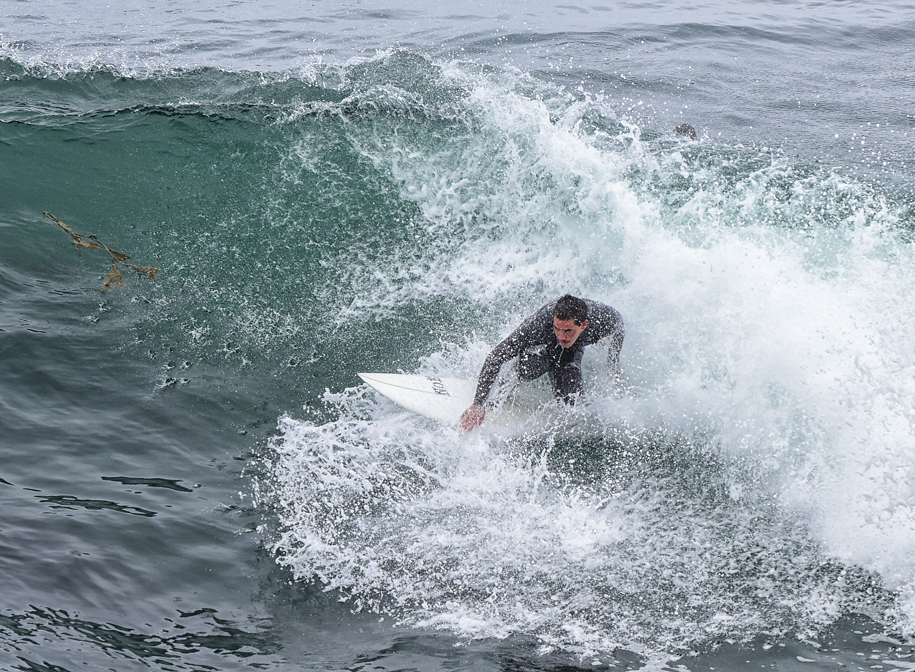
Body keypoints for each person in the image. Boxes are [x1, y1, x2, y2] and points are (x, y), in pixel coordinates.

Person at [460, 294, 624, 431]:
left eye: (568, 331)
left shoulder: (604, 320)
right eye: (557, 329)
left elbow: (619, 328)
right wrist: (477, 404)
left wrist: (613, 361)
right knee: (530, 368)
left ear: (584, 325)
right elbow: (496, 356)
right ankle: (508, 381)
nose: (562, 336)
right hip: (543, 347)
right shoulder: (538, 326)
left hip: (575, 346)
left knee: (571, 403)